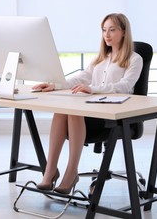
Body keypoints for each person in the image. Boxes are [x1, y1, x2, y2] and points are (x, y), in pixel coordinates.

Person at [31, 13, 143, 194]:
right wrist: (55, 85)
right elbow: (80, 78)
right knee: (61, 110)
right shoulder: (100, 59)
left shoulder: (134, 59)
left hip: (113, 116)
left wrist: (93, 88)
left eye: (112, 30)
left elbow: (125, 86)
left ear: (123, 32)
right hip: (91, 111)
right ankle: (50, 171)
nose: (107, 34)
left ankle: (71, 171)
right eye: (104, 30)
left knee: (74, 111)